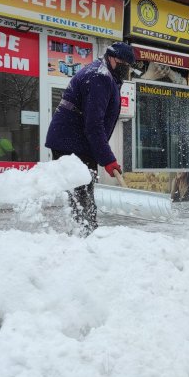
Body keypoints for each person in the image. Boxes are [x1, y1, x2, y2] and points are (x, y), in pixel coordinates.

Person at [45, 41, 135, 236]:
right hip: (71, 144)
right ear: (112, 58)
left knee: (83, 195)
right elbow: (94, 125)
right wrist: (108, 160)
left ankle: (84, 234)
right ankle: (84, 238)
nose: (126, 71)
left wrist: (102, 156)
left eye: (129, 68)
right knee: (82, 195)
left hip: (77, 143)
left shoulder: (105, 74)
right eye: (125, 65)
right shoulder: (99, 77)